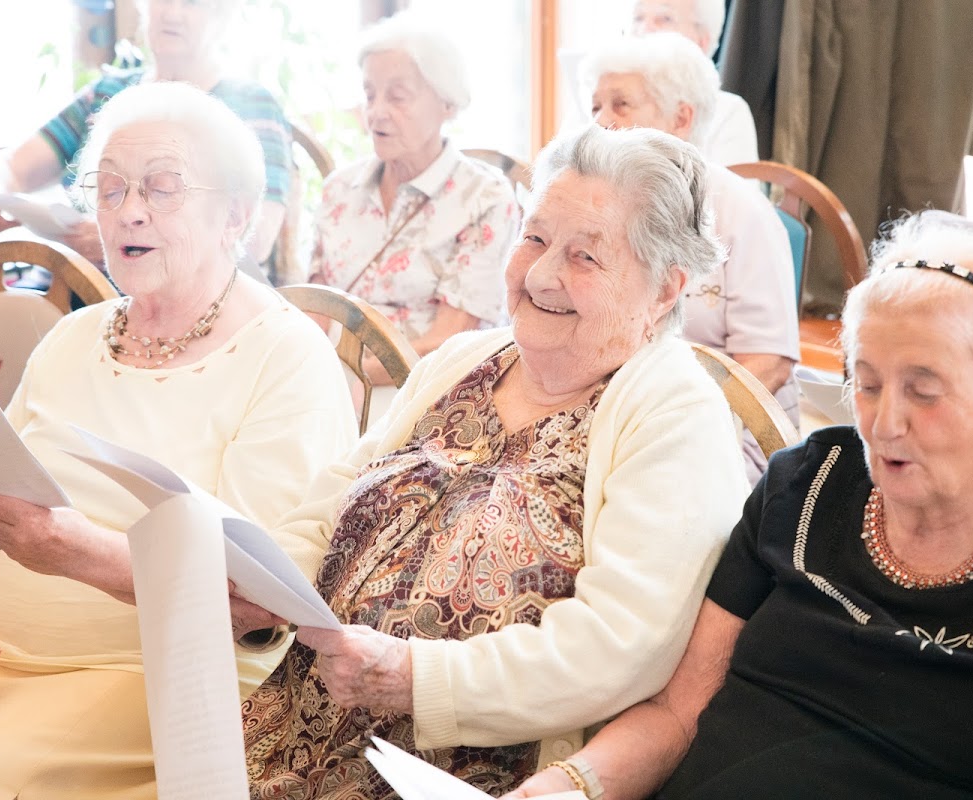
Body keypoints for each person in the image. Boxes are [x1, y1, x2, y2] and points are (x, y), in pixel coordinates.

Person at [507, 218, 973, 799]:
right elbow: (676, 714)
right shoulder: (805, 483)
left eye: (924, 392)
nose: (885, 424)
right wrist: (571, 784)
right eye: (868, 384)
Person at [242, 124, 750, 798]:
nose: (541, 274)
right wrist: (261, 586)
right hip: (285, 726)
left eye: (585, 258)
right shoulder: (463, 360)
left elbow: (619, 646)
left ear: (664, 289)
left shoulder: (674, 414)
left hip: (460, 770)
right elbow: (336, 499)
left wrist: (415, 677)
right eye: (535, 238)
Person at [0, 82, 356, 798]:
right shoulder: (72, 336)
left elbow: (260, 603)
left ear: (235, 216)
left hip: (157, 689)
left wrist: (69, 551)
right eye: (110, 188)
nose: (129, 210)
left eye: (162, 187)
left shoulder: (284, 356)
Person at [581, 31, 798, 482]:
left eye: (621, 105)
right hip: (613, 412)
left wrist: (668, 418)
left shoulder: (741, 211)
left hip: (725, 424)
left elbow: (769, 362)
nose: (601, 121)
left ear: (681, 117)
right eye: (595, 106)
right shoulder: (597, 207)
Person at [0, 0, 291, 267]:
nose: (172, 12)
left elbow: (257, 238)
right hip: (76, 289)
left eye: (192, 3)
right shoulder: (108, 92)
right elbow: (12, 165)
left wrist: (121, 236)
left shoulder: (250, 106)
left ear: (223, 16)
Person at [308, 12, 520, 390]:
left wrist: (345, 380)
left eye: (398, 96)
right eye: (370, 95)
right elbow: (314, 314)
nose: (376, 113)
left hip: (426, 392)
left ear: (448, 104)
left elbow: (451, 345)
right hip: (326, 388)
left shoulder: (485, 198)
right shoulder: (339, 189)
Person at [630, 0, 757, 165]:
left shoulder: (728, 111)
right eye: (638, 18)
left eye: (665, 18)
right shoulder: (601, 99)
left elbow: (733, 189)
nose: (644, 30)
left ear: (701, 42)